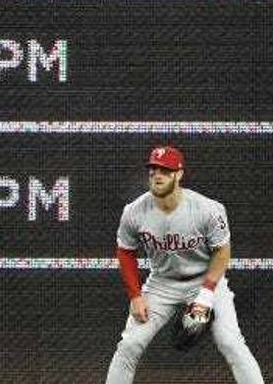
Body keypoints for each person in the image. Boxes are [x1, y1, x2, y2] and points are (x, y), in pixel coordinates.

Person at [104, 145, 264, 384]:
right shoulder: (134, 212)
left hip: (206, 280)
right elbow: (125, 251)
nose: (157, 175)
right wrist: (135, 295)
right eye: (153, 170)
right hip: (161, 284)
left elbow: (222, 251)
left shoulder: (207, 209)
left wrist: (207, 294)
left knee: (231, 342)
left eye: (165, 170)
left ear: (179, 174)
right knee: (129, 344)